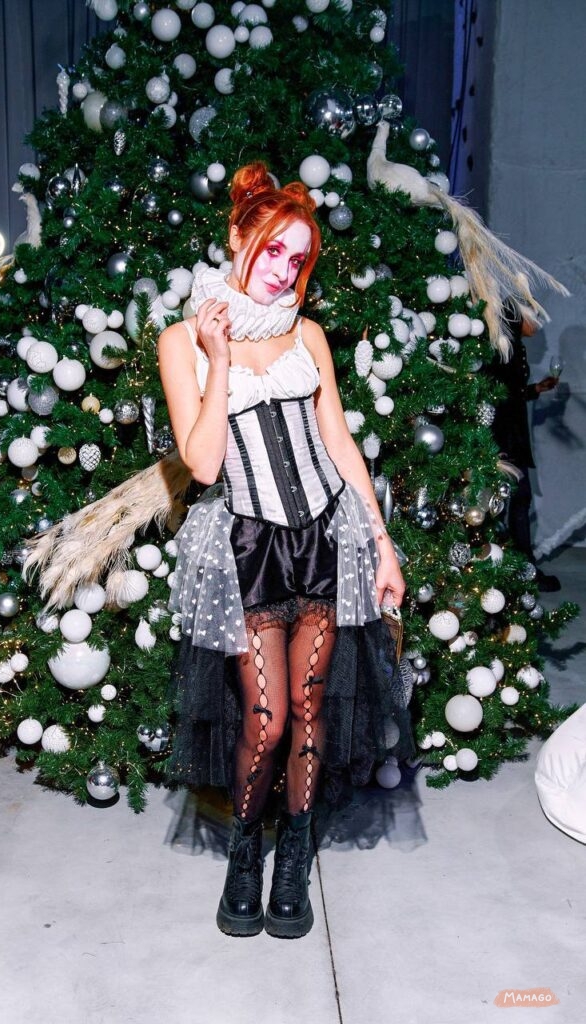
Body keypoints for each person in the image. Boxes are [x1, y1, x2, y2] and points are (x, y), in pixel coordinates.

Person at [158, 162, 412, 940]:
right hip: (247, 544)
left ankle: (294, 854)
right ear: (238, 236)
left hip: (326, 538)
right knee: (265, 721)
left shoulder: (307, 335)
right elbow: (204, 465)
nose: (283, 270)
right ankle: (246, 853)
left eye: (297, 259)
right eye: (273, 250)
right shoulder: (181, 342)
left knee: (308, 710)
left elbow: (338, 443)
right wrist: (219, 358)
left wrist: (382, 544)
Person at [491, 301, 560, 591]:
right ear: (519, 317)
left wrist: (535, 389)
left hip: (510, 439)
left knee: (514, 502)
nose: (539, 325)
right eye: (535, 318)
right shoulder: (504, 348)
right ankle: (522, 570)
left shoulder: (511, 346)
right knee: (513, 502)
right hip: (504, 440)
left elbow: (510, 393)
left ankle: (516, 568)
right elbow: (499, 396)